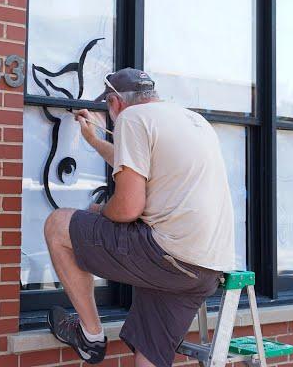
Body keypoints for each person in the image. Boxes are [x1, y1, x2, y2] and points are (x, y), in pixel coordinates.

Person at [43, 68, 236, 366]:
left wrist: (99, 210)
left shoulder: (132, 119)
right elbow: (140, 166)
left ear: (115, 102)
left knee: (59, 225)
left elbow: (128, 209)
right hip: (205, 269)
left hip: (169, 257)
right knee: (149, 354)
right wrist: (94, 141)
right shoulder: (192, 120)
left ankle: (90, 337)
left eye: (108, 107)